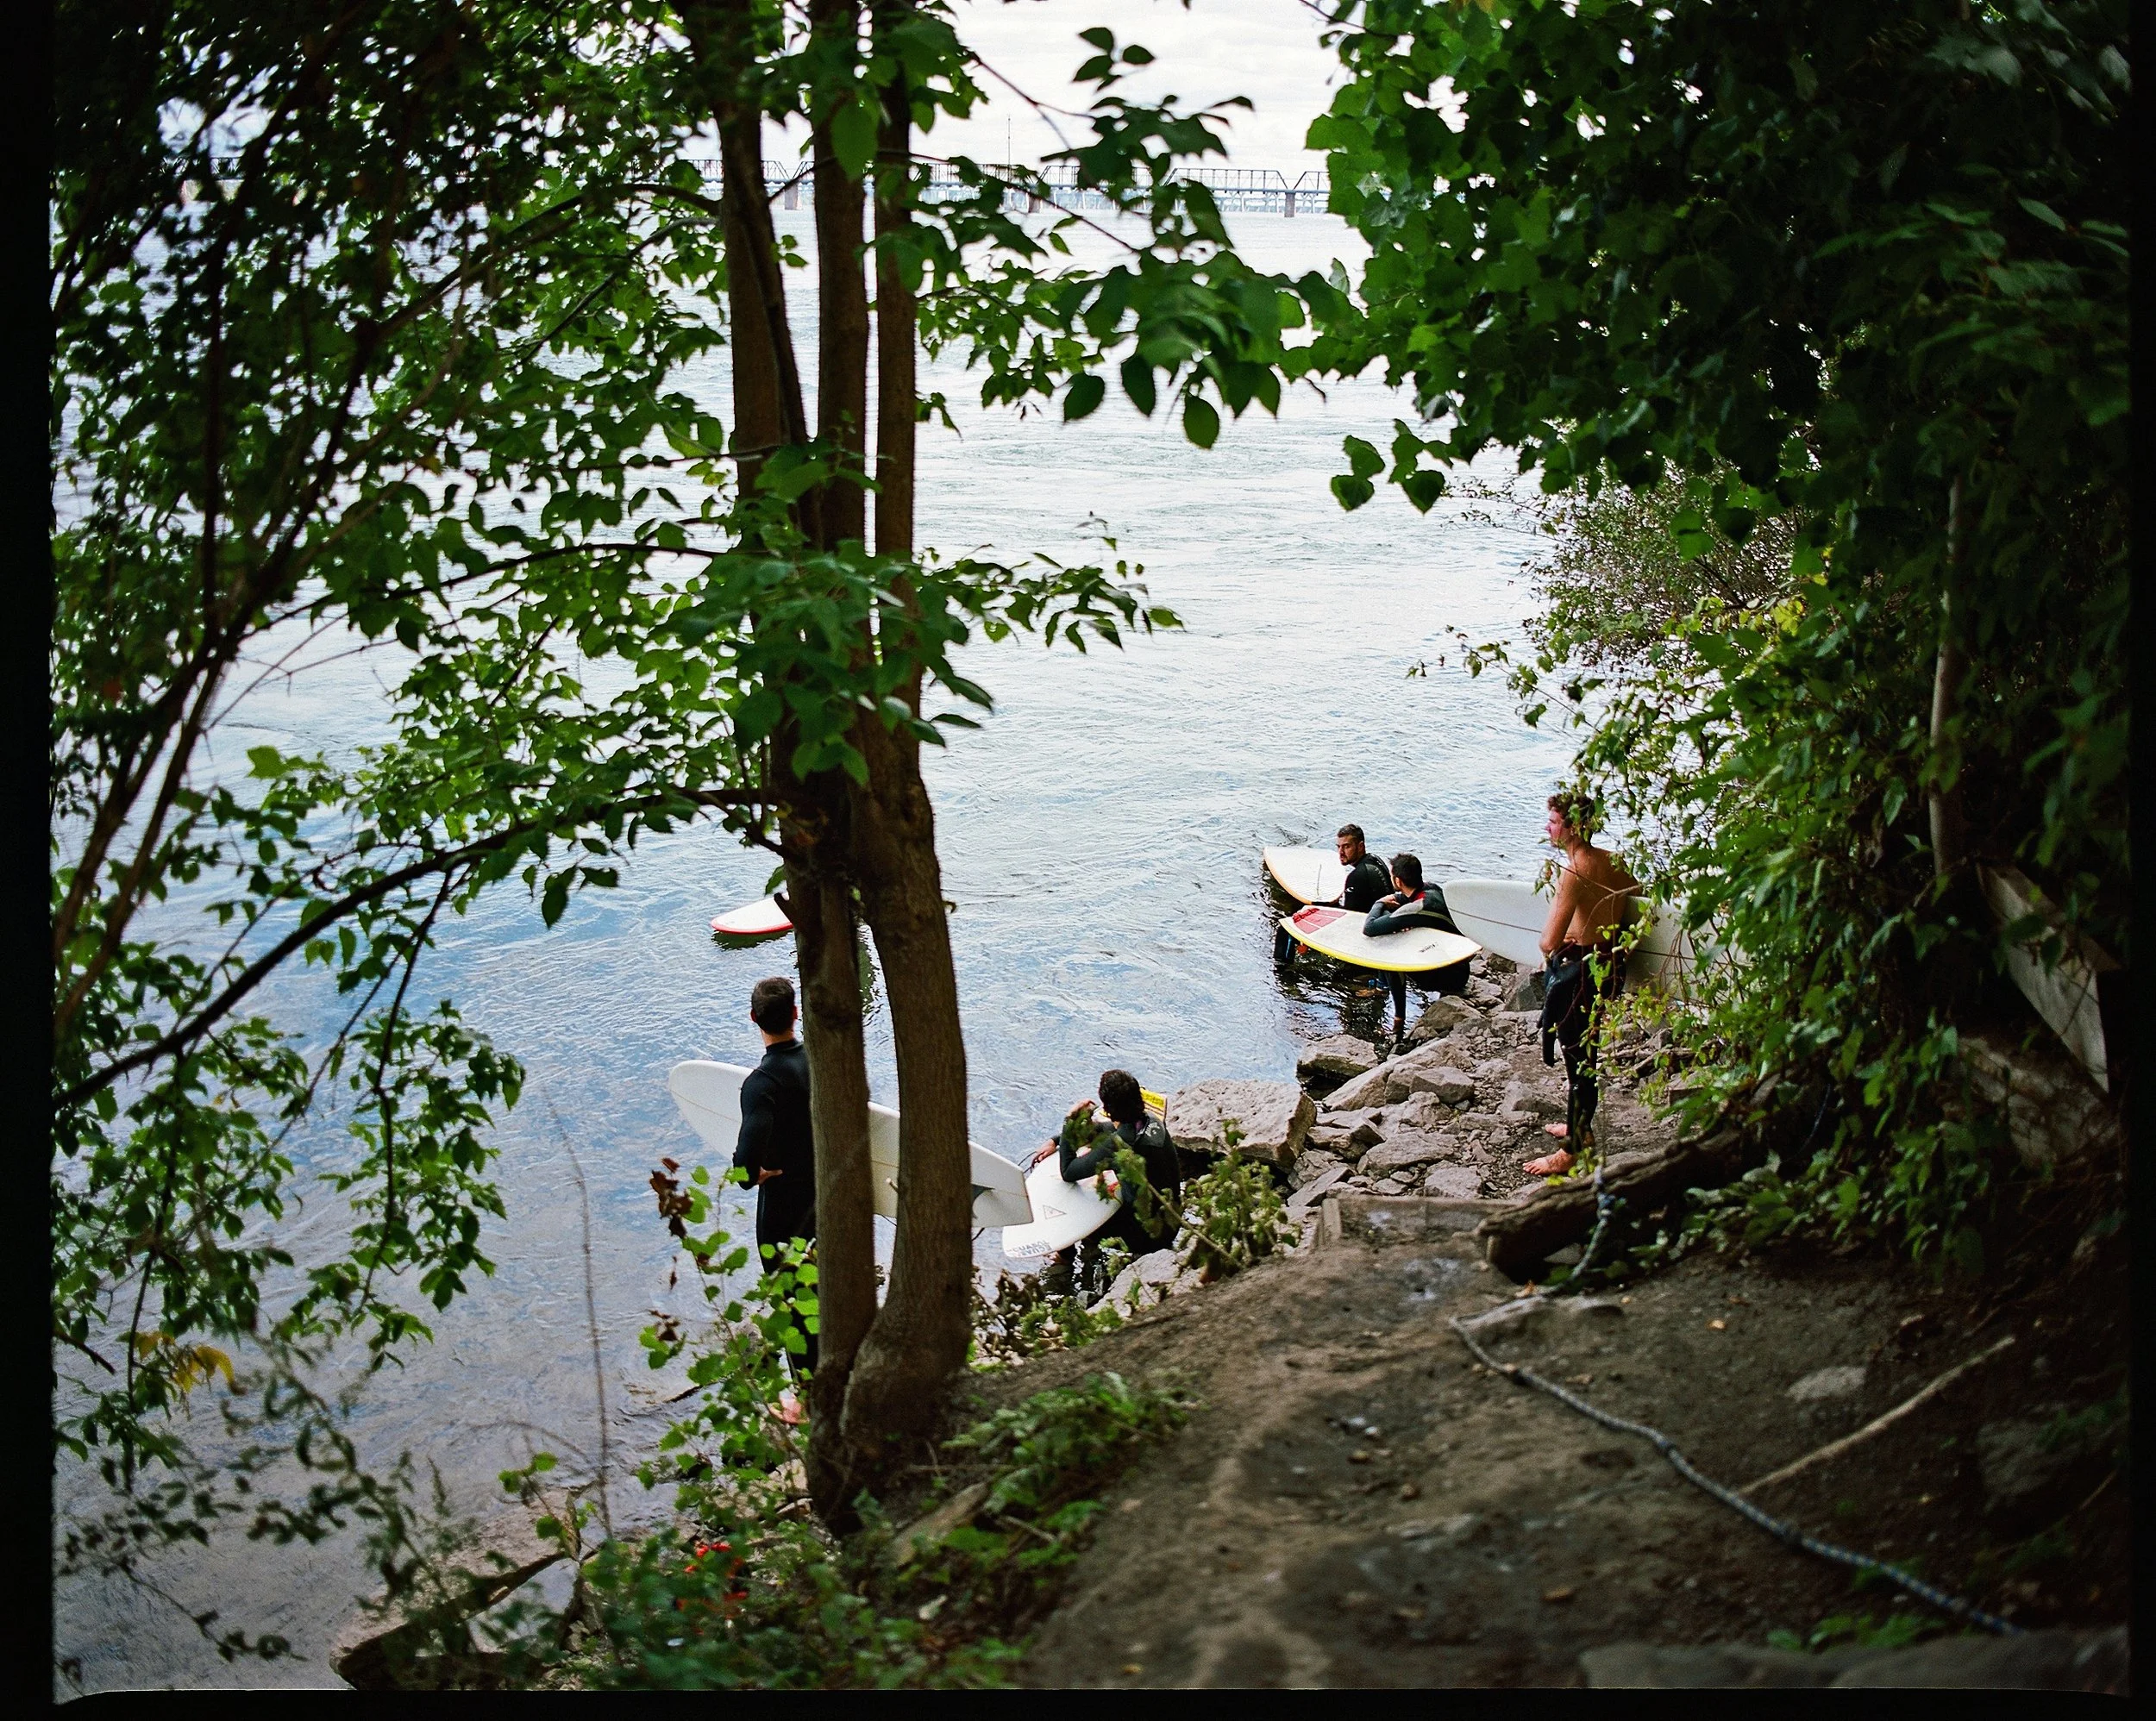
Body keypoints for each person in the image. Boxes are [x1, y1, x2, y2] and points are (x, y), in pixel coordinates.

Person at [1523, 793, 1639, 1179]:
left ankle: (1572, 1151)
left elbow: (1547, 940)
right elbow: (1636, 897)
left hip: (1581, 974)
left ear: (1573, 828)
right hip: (1609, 966)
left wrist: (1568, 938)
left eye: (1554, 822)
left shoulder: (1575, 870)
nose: (1548, 828)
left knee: (1578, 1059)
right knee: (1583, 1052)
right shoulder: (1613, 861)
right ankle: (1580, 1128)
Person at [1032, 1068, 1182, 1302]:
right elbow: (1105, 1130)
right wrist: (1057, 1141)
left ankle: (1066, 1260)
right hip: (1171, 1222)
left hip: (1149, 1237)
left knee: (1078, 1202)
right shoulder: (1150, 1121)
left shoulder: (1118, 1144)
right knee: (1106, 1187)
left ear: (1109, 1108)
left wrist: (1069, 1122)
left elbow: (1068, 1171)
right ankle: (1090, 1253)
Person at [732, 975, 818, 1382]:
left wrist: (753, 1176)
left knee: (793, 1303)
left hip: (783, 1212)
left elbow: (744, 1166)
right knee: (824, 1293)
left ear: (754, 1018)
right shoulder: (820, 1061)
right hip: (825, 1197)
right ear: (796, 1014)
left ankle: (806, 1397)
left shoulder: (762, 1084)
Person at [1361, 853, 1465, 1042]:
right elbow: (1403, 899)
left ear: (1398, 880)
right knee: (1392, 928)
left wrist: (1379, 903)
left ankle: (1398, 1023)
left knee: (1389, 953)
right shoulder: (1432, 890)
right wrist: (1391, 903)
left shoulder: (1416, 907)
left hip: (1450, 977)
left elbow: (1369, 928)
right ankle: (1383, 988)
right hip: (1459, 966)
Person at [1275, 823, 1395, 965]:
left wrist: (1316, 915)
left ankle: (1282, 971)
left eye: (1346, 847)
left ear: (1361, 846)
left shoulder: (1357, 876)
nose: (1341, 852)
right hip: (1380, 921)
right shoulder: (1376, 861)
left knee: (1285, 929)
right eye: (1338, 847)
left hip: (1364, 934)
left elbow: (1347, 920)